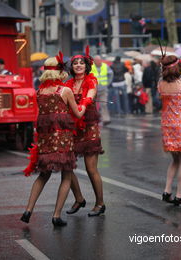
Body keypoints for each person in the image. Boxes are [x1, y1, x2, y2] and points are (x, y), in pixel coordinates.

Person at [21, 55, 86, 226]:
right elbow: (78, 113)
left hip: (45, 141)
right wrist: (85, 103)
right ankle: (56, 215)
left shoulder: (39, 92)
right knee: (67, 175)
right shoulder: (65, 91)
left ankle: (28, 210)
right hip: (63, 141)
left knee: (43, 175)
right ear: (59, 72)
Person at [65, 47, 106, 217]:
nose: (79, 65)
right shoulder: (67, 84)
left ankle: (100, 203)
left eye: (82, 62)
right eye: (75, 62)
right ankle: (79, 198)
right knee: (66, 166)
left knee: (91, 169)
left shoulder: (92, 81)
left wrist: (82, 104)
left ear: (87, 65)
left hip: (89, 128)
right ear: (71, 67)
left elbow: (89, 96)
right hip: (72, 129)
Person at [158, 55, 181, 207]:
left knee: (175, 160)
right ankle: (179, 195)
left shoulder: (160, 84)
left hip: (167, 124)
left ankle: (167, 191)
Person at [91, 55, 113, 126]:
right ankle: (95, 119)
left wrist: (108, 83)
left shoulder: (105, 66)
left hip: (103, 89)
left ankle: (106, 119)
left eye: (99, 60)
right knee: (92, 105)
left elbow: (111, 74)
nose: (98, 62)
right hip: (94, 90)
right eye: (96, 60)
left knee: (104, 104)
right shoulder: (91, 67)